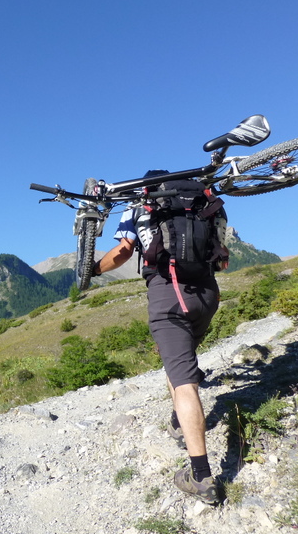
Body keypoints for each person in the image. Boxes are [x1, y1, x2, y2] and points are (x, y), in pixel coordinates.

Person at [92, 170, 225, 504]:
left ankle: (201, 475)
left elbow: (123, 252)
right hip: (208, 293)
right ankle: (180, 422)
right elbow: (221, 254)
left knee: (184, 382)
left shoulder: (141, 202)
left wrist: (92, 270)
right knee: (179, 362)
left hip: (169, 295)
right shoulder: (202, 201)